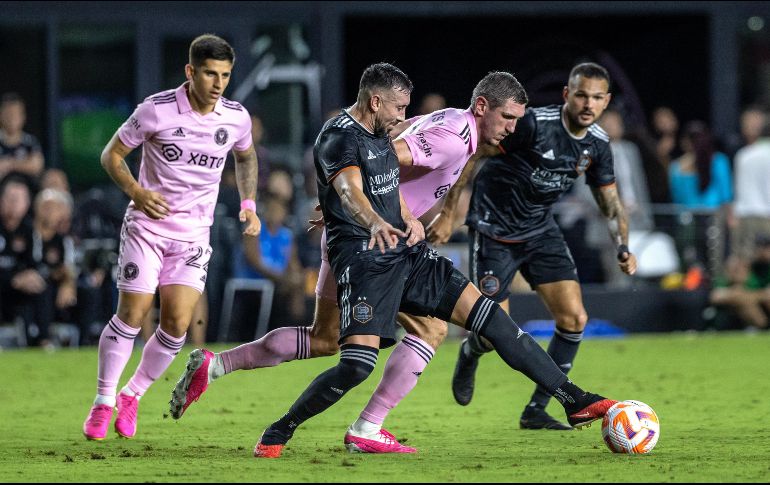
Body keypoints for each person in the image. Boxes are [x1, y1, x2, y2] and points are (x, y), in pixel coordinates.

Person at [172, 63, 616, 458]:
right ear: (483, 107)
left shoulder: (456, 126)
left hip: (380, 240)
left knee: (331, 339)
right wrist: (379, 209)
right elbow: (384, 156)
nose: (513, 128)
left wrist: (350, 203)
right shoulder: (451, 138)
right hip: (373, 247)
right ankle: (333, 427)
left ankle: (219, 366)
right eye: (508, 118)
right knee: (361, 357)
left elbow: (388, 143)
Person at [430, 62, 637, 431]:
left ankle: (536, 410)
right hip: (493, 230)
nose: (588, 104)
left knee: (574, 319)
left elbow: (611, 202)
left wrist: (622, 245)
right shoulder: (532, 125)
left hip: (541, 231)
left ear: (606, 102)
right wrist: (448, 214)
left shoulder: (597, 145)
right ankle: (470, 350)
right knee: (492, 333)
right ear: (567, 95)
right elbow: (474, 156)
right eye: (581, 95)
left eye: (596, 98)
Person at [81, 34, 261, 441]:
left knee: (178, 322)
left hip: (193, 235)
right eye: (210, 74)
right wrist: (137, 192)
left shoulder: (235, 117)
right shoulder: (155, 110)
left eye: (225, 75)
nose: (218, 83)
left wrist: (249, 204)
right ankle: (103, 401)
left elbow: (246, 156)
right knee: (133, 312)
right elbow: (111, 155)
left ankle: (132, 395)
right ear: (190, 72)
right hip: (147, 228)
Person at [730, 114, 770, 263]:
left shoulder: (743, 154)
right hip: (765, 214)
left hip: (744, 214)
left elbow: (736, 188)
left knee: (744, 261)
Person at [0, 93, 45, 180]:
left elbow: (36, 166)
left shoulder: (30, 141)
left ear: (23, 116)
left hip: (26, 186)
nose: (12, 118)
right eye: (8, 114)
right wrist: (24, 163)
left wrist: (9, 163)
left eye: (16, 114)